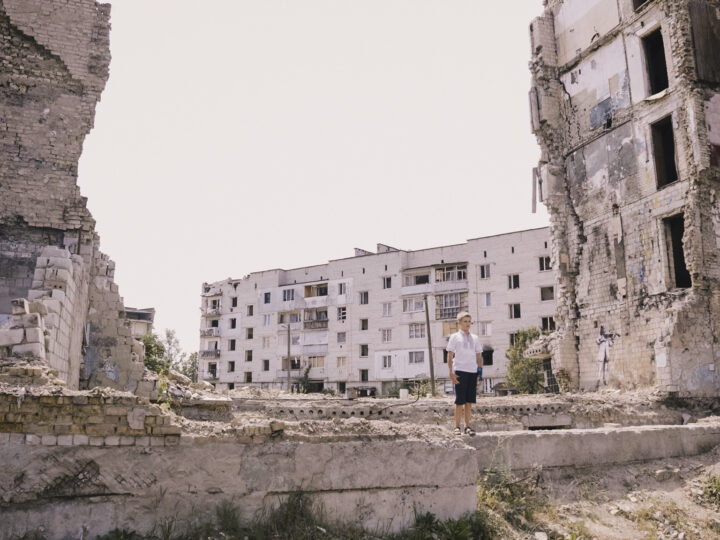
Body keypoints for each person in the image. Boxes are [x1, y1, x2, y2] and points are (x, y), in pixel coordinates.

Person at [446, 311, 483, 435]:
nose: (468, 324)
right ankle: (457, 427)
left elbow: (479, 356)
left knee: (469, 401)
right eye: (465, 321)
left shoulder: (475, 338)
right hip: (460, 372)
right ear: (460, 323)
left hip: (472, 372)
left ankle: (467, 426)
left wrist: (480, 374)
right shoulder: (455, 337)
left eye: (469, 321)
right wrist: (451, 373)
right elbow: (450, 355)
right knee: (459, 401)